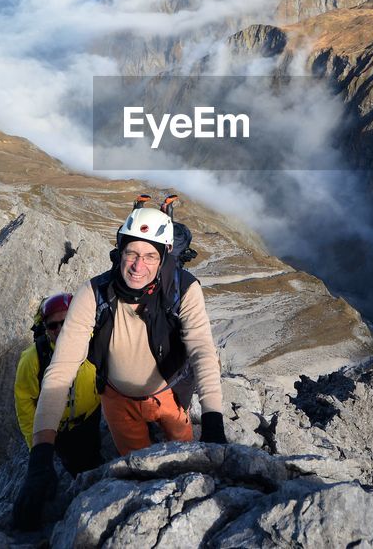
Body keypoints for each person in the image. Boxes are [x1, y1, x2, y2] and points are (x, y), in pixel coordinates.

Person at [12, 206, 226, 530]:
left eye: (149, 256)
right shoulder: (94, 293)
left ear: (165, 257)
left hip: (165, 394)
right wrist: (40, 458)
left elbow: (203, 352)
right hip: (116, 401)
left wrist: (212, 422)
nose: (138, 265)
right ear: (120, 251)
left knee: (185, 458)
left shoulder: (184, 290)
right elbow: (60, 372)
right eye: (131, 253)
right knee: (140, 471)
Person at [12, 293, 103, 478]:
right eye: (53, 325)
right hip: (57, 431)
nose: (60, 329)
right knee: (73, 470)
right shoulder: (33, 358)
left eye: (65, 322)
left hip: (92, 419)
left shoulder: (94, 343)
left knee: (94, 459)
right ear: (45, 328)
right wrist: (37, 448)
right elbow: (24, 403)